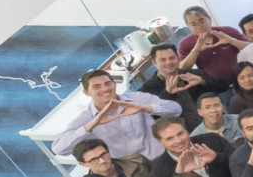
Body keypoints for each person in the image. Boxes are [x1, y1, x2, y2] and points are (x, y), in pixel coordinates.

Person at [52, 69, 181, 166]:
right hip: (132, 170)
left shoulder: (136, 98)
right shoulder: (87, 118)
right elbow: (59, 149)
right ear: (86, 92)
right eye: (96, 86)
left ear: (114, 84)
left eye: (108, 83)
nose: (105, 89)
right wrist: (91, 126)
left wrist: (144, 108)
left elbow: (176, 110)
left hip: (165, 155)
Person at [148, 117, 236, 177]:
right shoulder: (158, 168)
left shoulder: (212, 140)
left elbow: (243, 166)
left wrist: (217, 158)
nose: (178, 141)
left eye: (180, 134)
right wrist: (178, 176)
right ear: (160, 142)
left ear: (187, 131)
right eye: (170, 138)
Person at [139, 43, 224, 130]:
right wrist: (167, 94)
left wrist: (202, 81)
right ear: (154, 63)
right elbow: (153, 117)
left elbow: (223, 87)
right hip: (183, 135)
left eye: (172, 58)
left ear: (178, 58)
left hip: (214, 125)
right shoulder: (147, 89)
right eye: (162, 60)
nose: (168, 62)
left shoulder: (195, 74)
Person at [176, 6, 248, 85]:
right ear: (188, 26)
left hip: (242, 79)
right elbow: (182, 69)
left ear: (209, 19)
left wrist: (231, 41)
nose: (199, 26)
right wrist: (195, 51)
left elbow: (251, 47)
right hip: (215, 86)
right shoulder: (185, 43)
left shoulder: (227, 31)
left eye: (202, 21)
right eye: (193, 24)